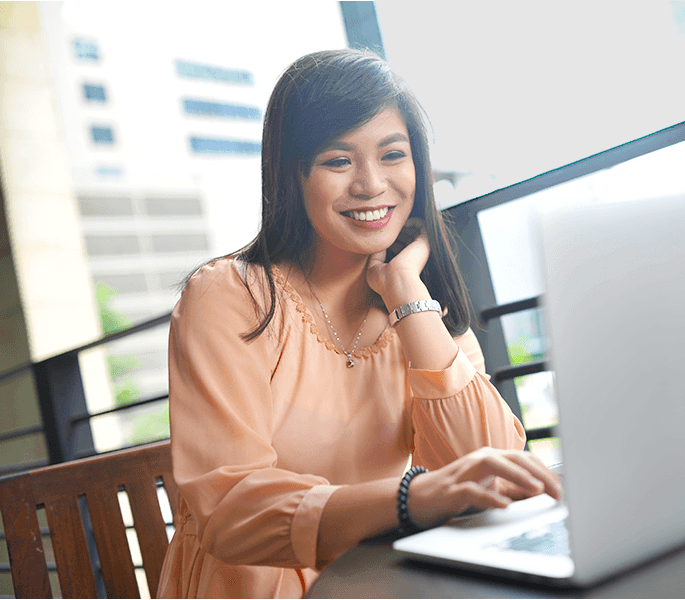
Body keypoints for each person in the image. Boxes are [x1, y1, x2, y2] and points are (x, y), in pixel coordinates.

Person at [157, 49, 561, 598]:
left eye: (393, 155)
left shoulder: (422, 307)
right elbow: (231, 508)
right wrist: (410, 498)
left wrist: (407, 295)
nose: (371, 184)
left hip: (383, 583)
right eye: (337, 161)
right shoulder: (230, 297)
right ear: (291, 174)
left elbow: (491, 473)